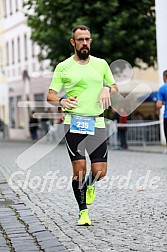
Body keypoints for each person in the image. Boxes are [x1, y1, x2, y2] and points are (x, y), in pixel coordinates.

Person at [47, 25, 117, 226]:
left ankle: (89, 185)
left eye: (87, 39)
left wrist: (106, 88)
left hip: (97, 122)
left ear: (90, 41)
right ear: (73, 42)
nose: (84, 43)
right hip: (74, 122)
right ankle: (83, 212)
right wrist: (61, 101)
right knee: (79, 168)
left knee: (99, 171)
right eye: (80, 40)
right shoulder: (63, 67)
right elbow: (50, 95)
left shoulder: (101, 64)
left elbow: (114, 86)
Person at [156, 69, 167, 145]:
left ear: (164, 77)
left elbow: (158, 105)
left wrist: (163, 102)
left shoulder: (162, 88)